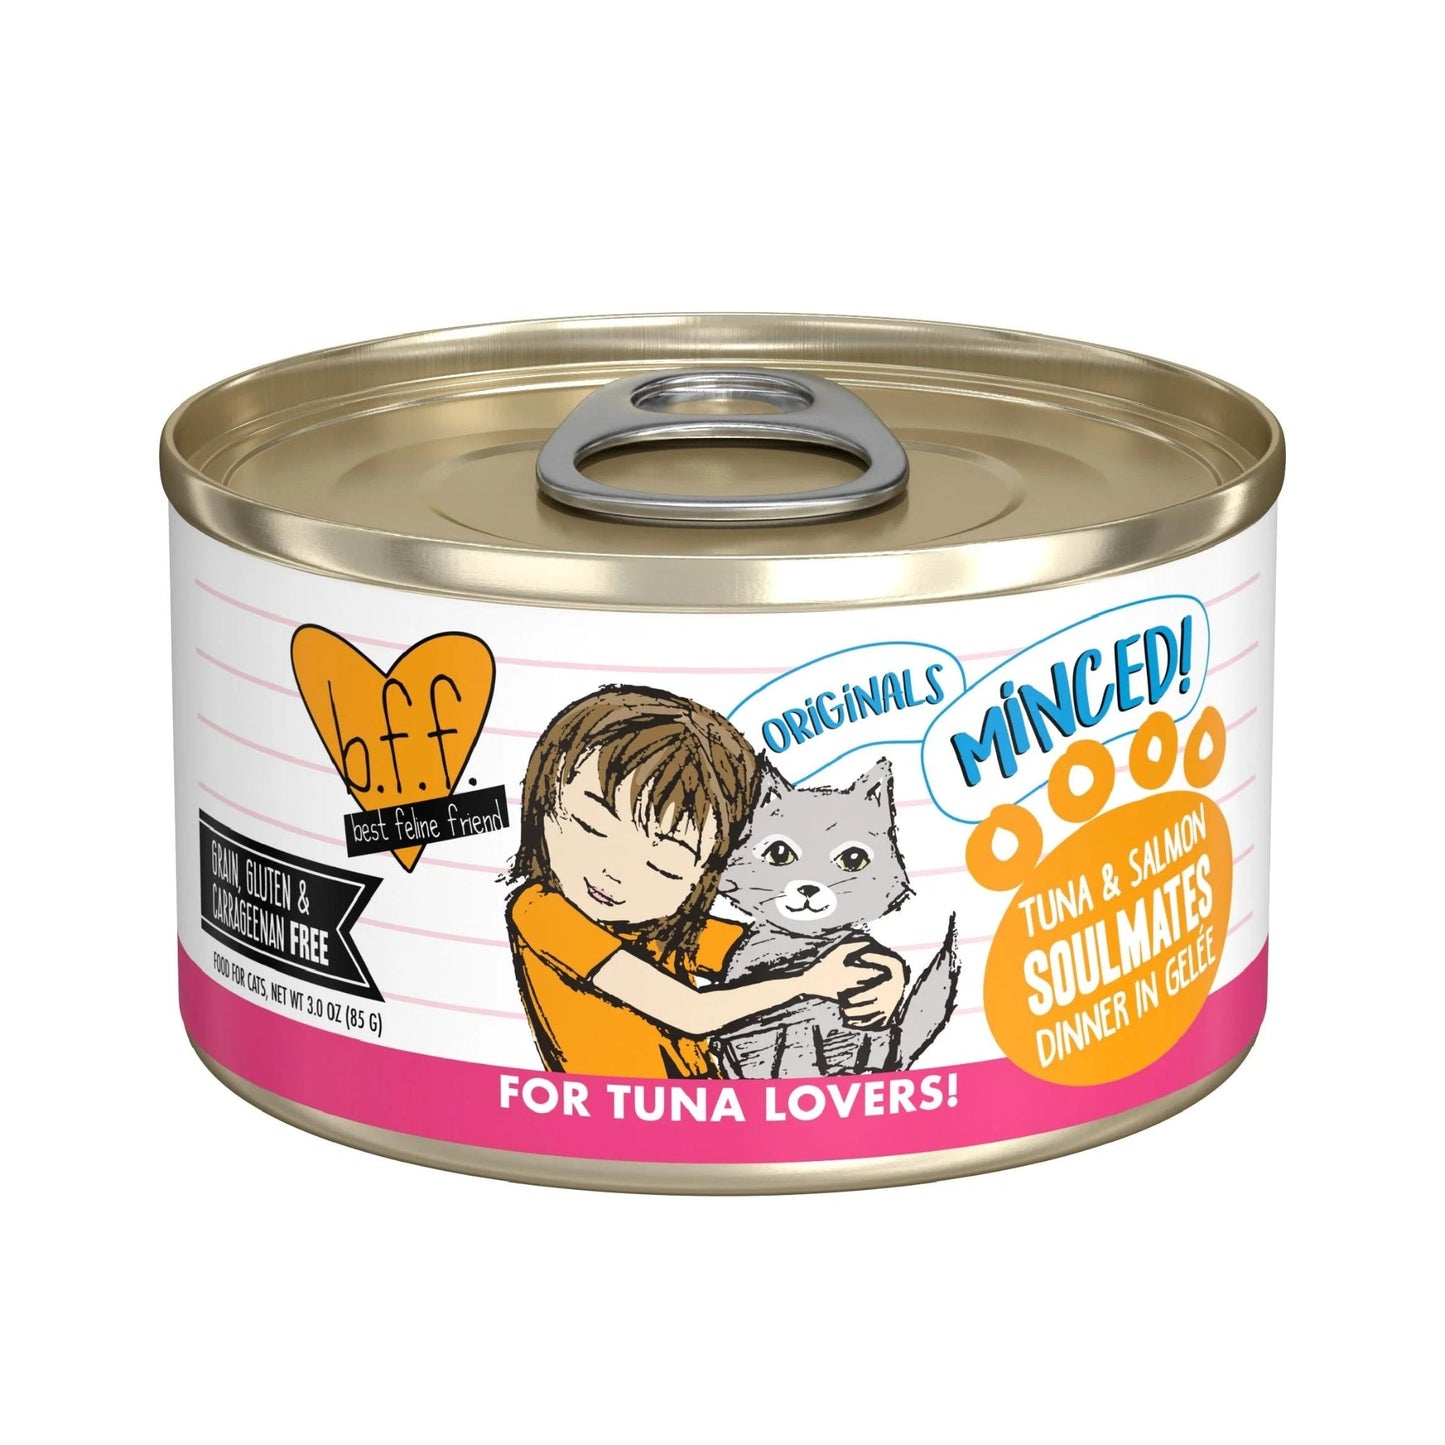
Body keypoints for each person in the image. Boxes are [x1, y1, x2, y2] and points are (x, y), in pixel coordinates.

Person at [506, 685, 904, 1077]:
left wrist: (882, 971)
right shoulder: (541, 911)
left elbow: (780, 950)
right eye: (590, 827)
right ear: (543, 802)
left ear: (707, 875)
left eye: (663, 866)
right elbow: (689, 1012)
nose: (614, 873)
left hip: (706, 1095)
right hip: (618, 1107)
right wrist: (809, 982)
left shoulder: (665, 925)